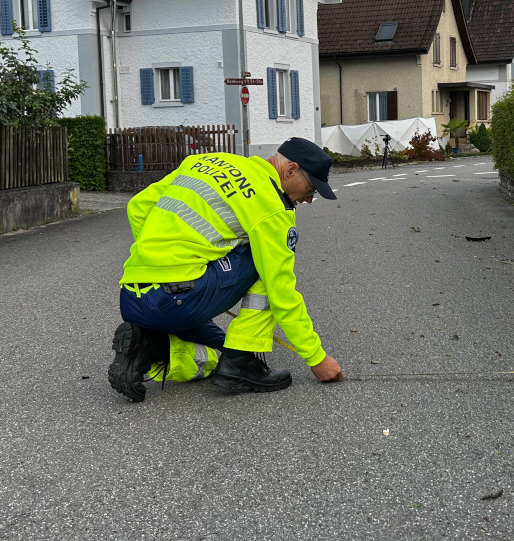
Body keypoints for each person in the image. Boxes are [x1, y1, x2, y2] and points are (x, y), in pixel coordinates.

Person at [108, 137, 345, 402]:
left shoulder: (206, 161)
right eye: (311, 189)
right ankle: (241, 362)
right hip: (178, 301)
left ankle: (152, 346)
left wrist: (155, 261)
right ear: (290, 170)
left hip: (131, 297)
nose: (310, 200)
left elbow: (138, 207)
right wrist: (316, 358)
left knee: (218, 352)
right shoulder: (271, 205)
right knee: (265, 261)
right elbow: (281, 290)